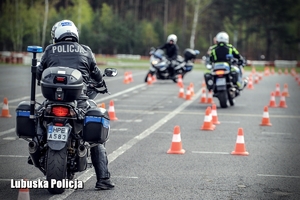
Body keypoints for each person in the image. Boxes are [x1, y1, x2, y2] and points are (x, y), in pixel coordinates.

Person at [34, 20, 115, 190]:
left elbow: (39, 73)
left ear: (56, 35)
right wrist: (101, 84)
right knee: (95, 138)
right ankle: (103, 179)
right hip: (79, 101)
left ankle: (36, 146)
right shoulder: (85, 50)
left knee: (39, 116)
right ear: (75, 33)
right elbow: (96, 73)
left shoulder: (49, 50)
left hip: (52, 101)